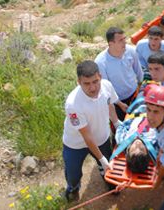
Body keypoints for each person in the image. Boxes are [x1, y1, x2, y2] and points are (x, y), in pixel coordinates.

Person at [62, 60, 121, 202]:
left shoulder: (106, 86)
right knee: (73, 174)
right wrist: (101, 159)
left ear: (100, 76)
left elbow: (109, 104)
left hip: (102, 138)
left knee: (108, 168)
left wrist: (116, 122)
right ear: (78, 82)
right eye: (86, 84)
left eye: (95, 81)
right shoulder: (73, 104)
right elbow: (87, 136)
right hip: (75, 144)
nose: (93, 87)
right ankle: (73, 188)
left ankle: (110, 183)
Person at [95, 27, 143, 121]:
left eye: (124, 39)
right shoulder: (101, 62)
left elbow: (138, 71)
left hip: (135, 95)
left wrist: (141, 91)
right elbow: (106, 88)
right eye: (121, 40)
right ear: (111, 44)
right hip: (117, 103)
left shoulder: (131, 51)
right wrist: (119, 104)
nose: (125, 42)